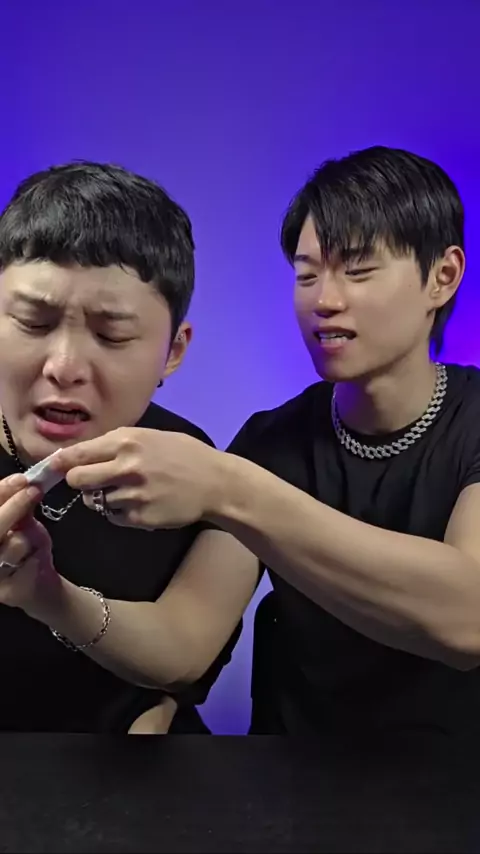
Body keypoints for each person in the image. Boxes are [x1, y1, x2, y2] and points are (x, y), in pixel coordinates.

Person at [3, 146, 480, 748]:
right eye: (306, 274)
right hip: (291, 773)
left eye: (358, 271)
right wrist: (46, 593)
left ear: (443, 276)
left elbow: (469, 618)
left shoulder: (227, 466)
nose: (324, 300)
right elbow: (185, 644)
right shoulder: (271, 441)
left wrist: (229, 487)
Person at [0, 160, 240, 734]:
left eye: (111, 335)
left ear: (173, 352)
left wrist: (47, 594)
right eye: (33, 322)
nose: (64, 367)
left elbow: (184, 657)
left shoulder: (201, 469)